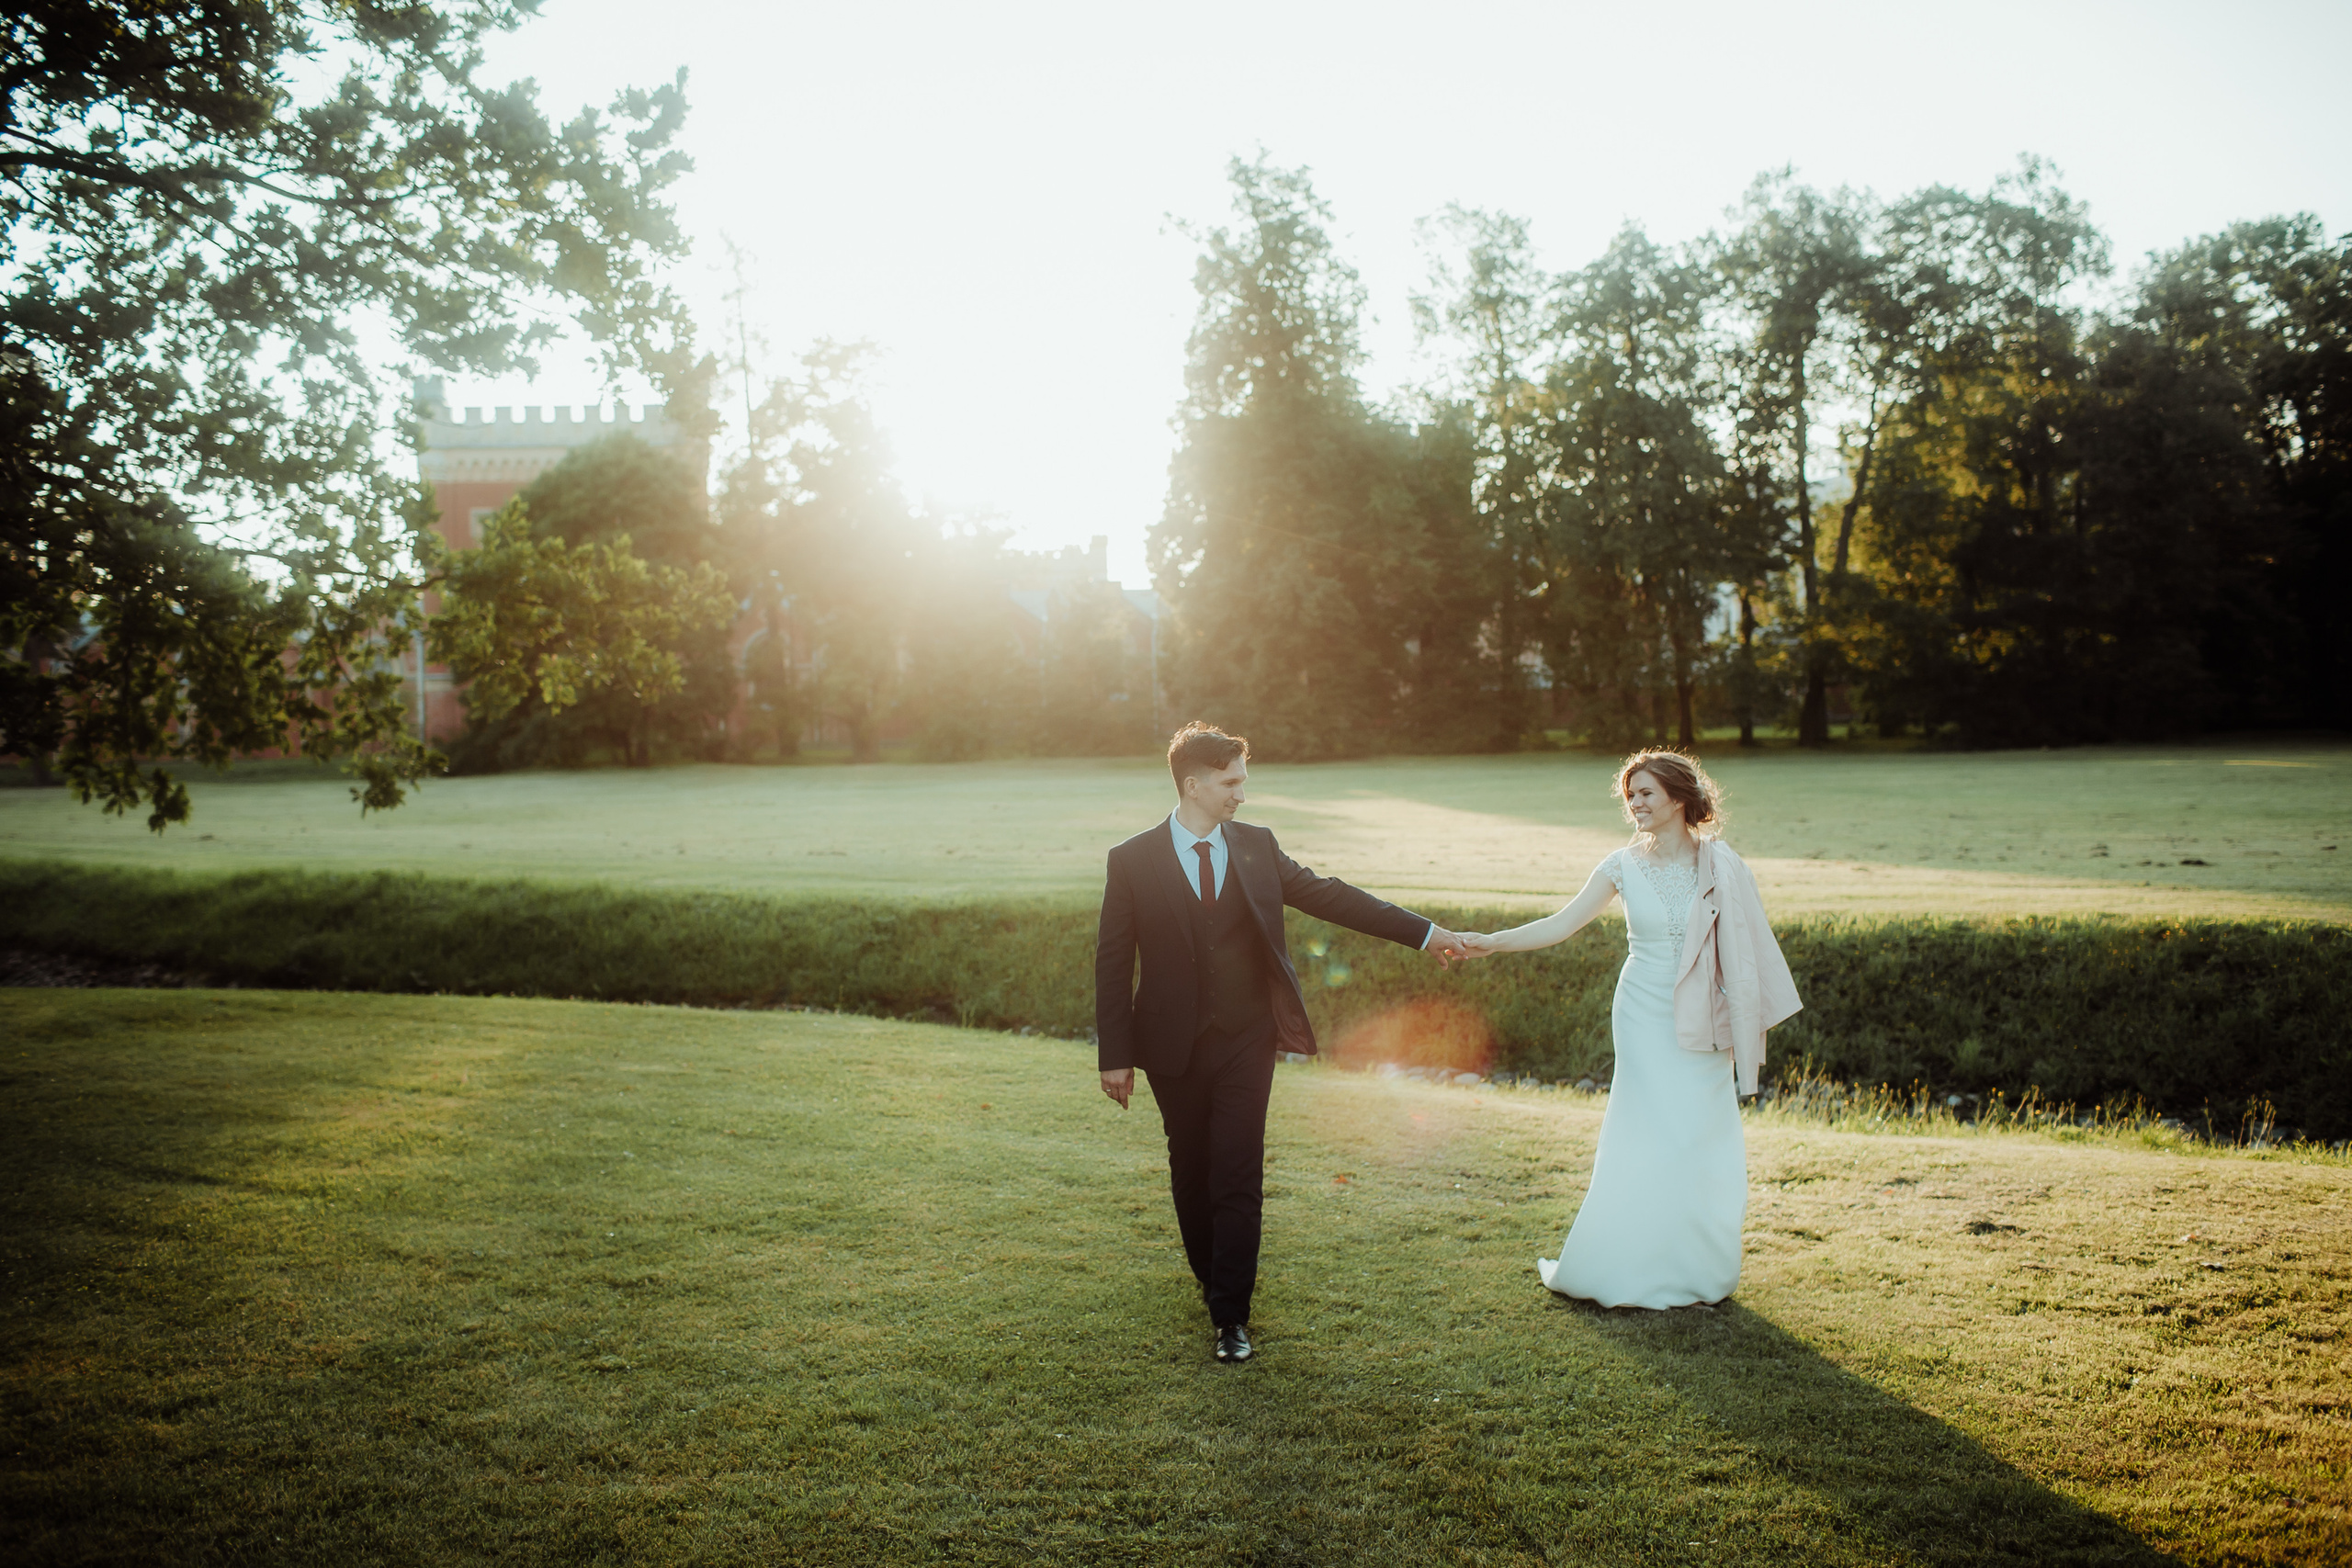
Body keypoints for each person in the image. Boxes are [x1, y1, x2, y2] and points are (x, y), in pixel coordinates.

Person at [1097, 722, 1470, 1363]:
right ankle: (1213, 1281)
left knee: (1238, 1170)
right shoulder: (1131, 859)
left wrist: (1424, 932)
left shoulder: (1258, 846)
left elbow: (1333, 898)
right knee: (1191, 1168)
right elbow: (1112, 962)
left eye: (1242, 780)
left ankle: (1231, 1316)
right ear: (1193, 784)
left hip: (1248, 1037)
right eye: (1230, 782)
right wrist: (1116, 1056)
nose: (1241, 793)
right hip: (1171, 1045)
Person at [1458, 750, 1800, 1309]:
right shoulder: (1620, 865)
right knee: (1645, 1128)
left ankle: (1697, 1268)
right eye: (1630, 796)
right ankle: (1622, 1263)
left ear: (1678, 798)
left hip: (1704, 1014)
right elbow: (1562, 924)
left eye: (1645, 793)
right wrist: (1492, 942)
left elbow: (1746, 946)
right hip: (1642, 1010)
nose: (1635, 804)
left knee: (1699, 1132)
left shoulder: (1724, 864)